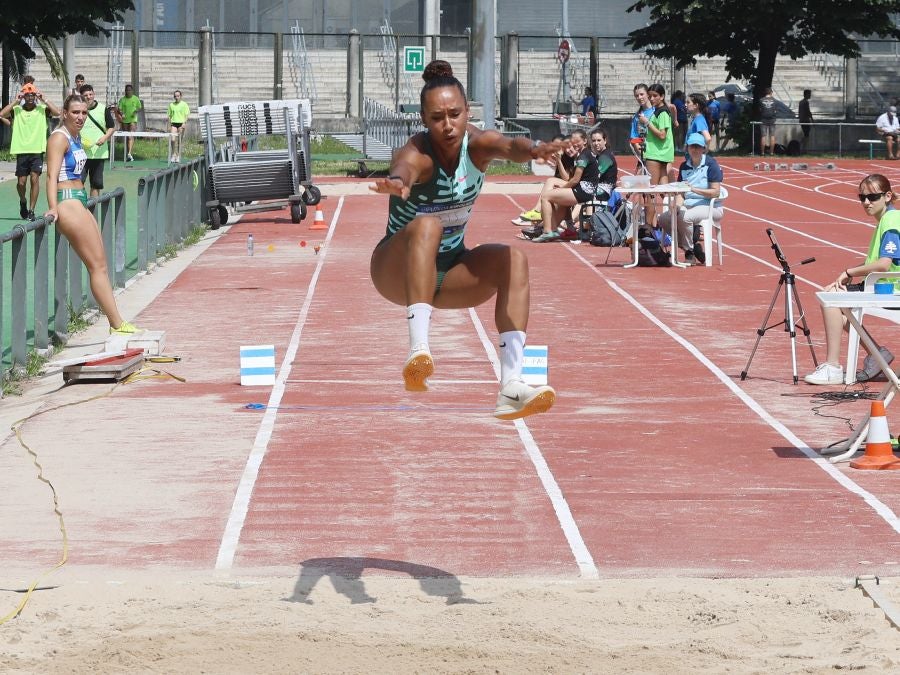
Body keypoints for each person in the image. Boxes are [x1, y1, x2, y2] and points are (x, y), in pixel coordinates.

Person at [369, 60, 563, 420]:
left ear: (466, 112)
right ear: (424, 121)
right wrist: (398, 183)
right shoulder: (417, 154)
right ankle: (418, 350)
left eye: (455, 114)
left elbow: (509, 145)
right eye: (437, 118)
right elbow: (404, 169)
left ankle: (511, 387)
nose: (448, 126)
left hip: (448, 273)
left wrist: (535, 149)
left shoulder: (477, 145)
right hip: (396, 272)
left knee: (514, 260)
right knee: (427, 225)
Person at [43, 94, 142, 336]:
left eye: (84, 113)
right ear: (64, 113)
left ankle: (117, 323)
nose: (80, 117)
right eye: (75, 112)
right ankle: (117, 324)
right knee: (96, 266)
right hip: (67, 203)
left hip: (79, 200)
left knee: (101, 265)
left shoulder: (76, 137)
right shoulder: (59, 138)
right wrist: (53, 207)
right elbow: (51, 175)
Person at [804, 174, 899, 385]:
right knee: (839, 305)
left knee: (831, 297)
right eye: (862, 197)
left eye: (873, 197)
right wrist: (852, 272)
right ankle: (876, 355)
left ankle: (833, 367)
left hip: (889, 289)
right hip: (882, 285)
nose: (866, 202)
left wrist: (849, 272)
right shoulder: (887, 219)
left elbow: (884, 264)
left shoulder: (891, 220)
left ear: (887, 196)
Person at [533, 128, 615, 243]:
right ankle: (553, 228)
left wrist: (562, 189)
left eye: (577, 141)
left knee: (546, 196)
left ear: (585, 141)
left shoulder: (584, 156)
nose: (574, 144)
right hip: (585, 189)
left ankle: (547, 231)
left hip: (586, 191)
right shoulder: (583, 154)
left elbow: (575, 180)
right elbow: (572, 179)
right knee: (560, 200)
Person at [657, 133, 723, 265]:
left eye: (698, 147)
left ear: (704, 148)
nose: (695, 149)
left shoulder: (711, 164)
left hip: (710, 206)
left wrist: (693, 189)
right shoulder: (684, 166)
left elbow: (716, 192)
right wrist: (676, 206)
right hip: (689, 204)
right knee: (664, 218)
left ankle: (689, 252)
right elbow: (681, 192)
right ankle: (691, 246)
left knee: (685, 217)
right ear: (687, 148)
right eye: (692, 146)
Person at [0, 83, 60, 221]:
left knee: (34, 178)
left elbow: (57, 112)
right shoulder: (17, 110)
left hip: (37, 150)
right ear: (24, 96)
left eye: (33, 95)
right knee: (21, 182)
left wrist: (44, 98)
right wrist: (16, 100)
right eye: (27, 95)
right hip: (22, 151)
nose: (31, 97)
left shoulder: (42, 110)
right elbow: (2, 114)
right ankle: (23, 202)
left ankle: (32, 210)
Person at [638, 83, 674, 226]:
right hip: (659, 153)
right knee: (663, 191)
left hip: (656, 154)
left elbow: (662, 134)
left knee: (650, 193)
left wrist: (647, 123)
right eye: (650, 95)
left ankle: (649, 227)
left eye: (655, 96)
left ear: (662, 97)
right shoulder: (657, 111)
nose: (652, 98)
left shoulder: (662, 112)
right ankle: (671, 220)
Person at [78, 83, 116, 198]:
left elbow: (112, 127)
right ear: (81, 96)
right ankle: (81, 206)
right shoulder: (78, 109)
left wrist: (104, 138)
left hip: (98, 153)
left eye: (90, 94)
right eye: (85, 95)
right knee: (78, 182)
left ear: (94, 94)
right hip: (81, 153)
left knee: (96, 184)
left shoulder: (102, 108)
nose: (89, 97)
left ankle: (93, 211)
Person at [117, 84, 143, 162]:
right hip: (125, 120)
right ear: (125, 91)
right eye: (127, 90)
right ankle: (127, 153)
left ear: (132, 91)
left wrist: (135, 111)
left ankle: (129, 153)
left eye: (129, 90)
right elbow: (120, 109)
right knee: (126, 136)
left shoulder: (135, 99)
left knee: (130, 136)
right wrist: (122, 114)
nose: (128, 91)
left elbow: (139, 107)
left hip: (133, 120)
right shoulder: (122, 100)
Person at [167, 90, 190, 162]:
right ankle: (174, 154)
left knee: (180, 140)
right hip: (174, 123)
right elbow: (169, 115)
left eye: (178, 96)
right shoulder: (171, 105)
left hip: (181, 124)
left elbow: (186, 115)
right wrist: (169, 125)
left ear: (180, 96)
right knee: (173, 139)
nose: (176, 97)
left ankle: (179, 156)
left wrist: (184, 123)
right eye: (175, 96)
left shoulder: (184, 104)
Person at [759, 87, 778, 156]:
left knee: (763, 136)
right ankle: (771, 152)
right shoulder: (775, 101)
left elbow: (760, 110)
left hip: (763, 120)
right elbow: (775, 111)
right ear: (771, 92)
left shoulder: (761, 100)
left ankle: (762, 152)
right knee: (772, 136)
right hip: (772, 120)